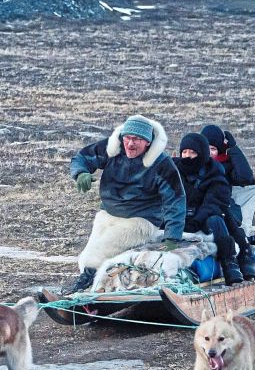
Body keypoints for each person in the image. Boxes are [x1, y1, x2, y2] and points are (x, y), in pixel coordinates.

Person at [65, 115, 186, 293]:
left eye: (136, 139)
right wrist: (81, 172)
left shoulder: (162, 164)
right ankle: (95, 287)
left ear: (147, 142)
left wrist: (172, 237)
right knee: (85, 258)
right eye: (127, 138)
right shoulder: (112, 149)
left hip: (140, 220)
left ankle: (83, 288)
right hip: (108, 214)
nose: (130, 144)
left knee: (98, 253)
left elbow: (175, 199)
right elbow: (82, 157)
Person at [174, 133, 244, 285]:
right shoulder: (174, 171)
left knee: (216, 219)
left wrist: (196, 221)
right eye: (184, 152)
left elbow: (213, 203)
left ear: (202, 154)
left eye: (192, 152)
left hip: (203, 221)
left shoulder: (214, 173)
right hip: (178, 219)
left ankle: (230, 264)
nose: (187, 156)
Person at [201, 124, 255, 278]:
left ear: (220, 150)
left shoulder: (226, 166)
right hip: (200, 208)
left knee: (221, 218)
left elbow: (246, 178)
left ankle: (243, 253)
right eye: (206, 148)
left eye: (213, 149)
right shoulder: (193, 164)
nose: (209, 153)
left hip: (225, 208)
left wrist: (233, 149)